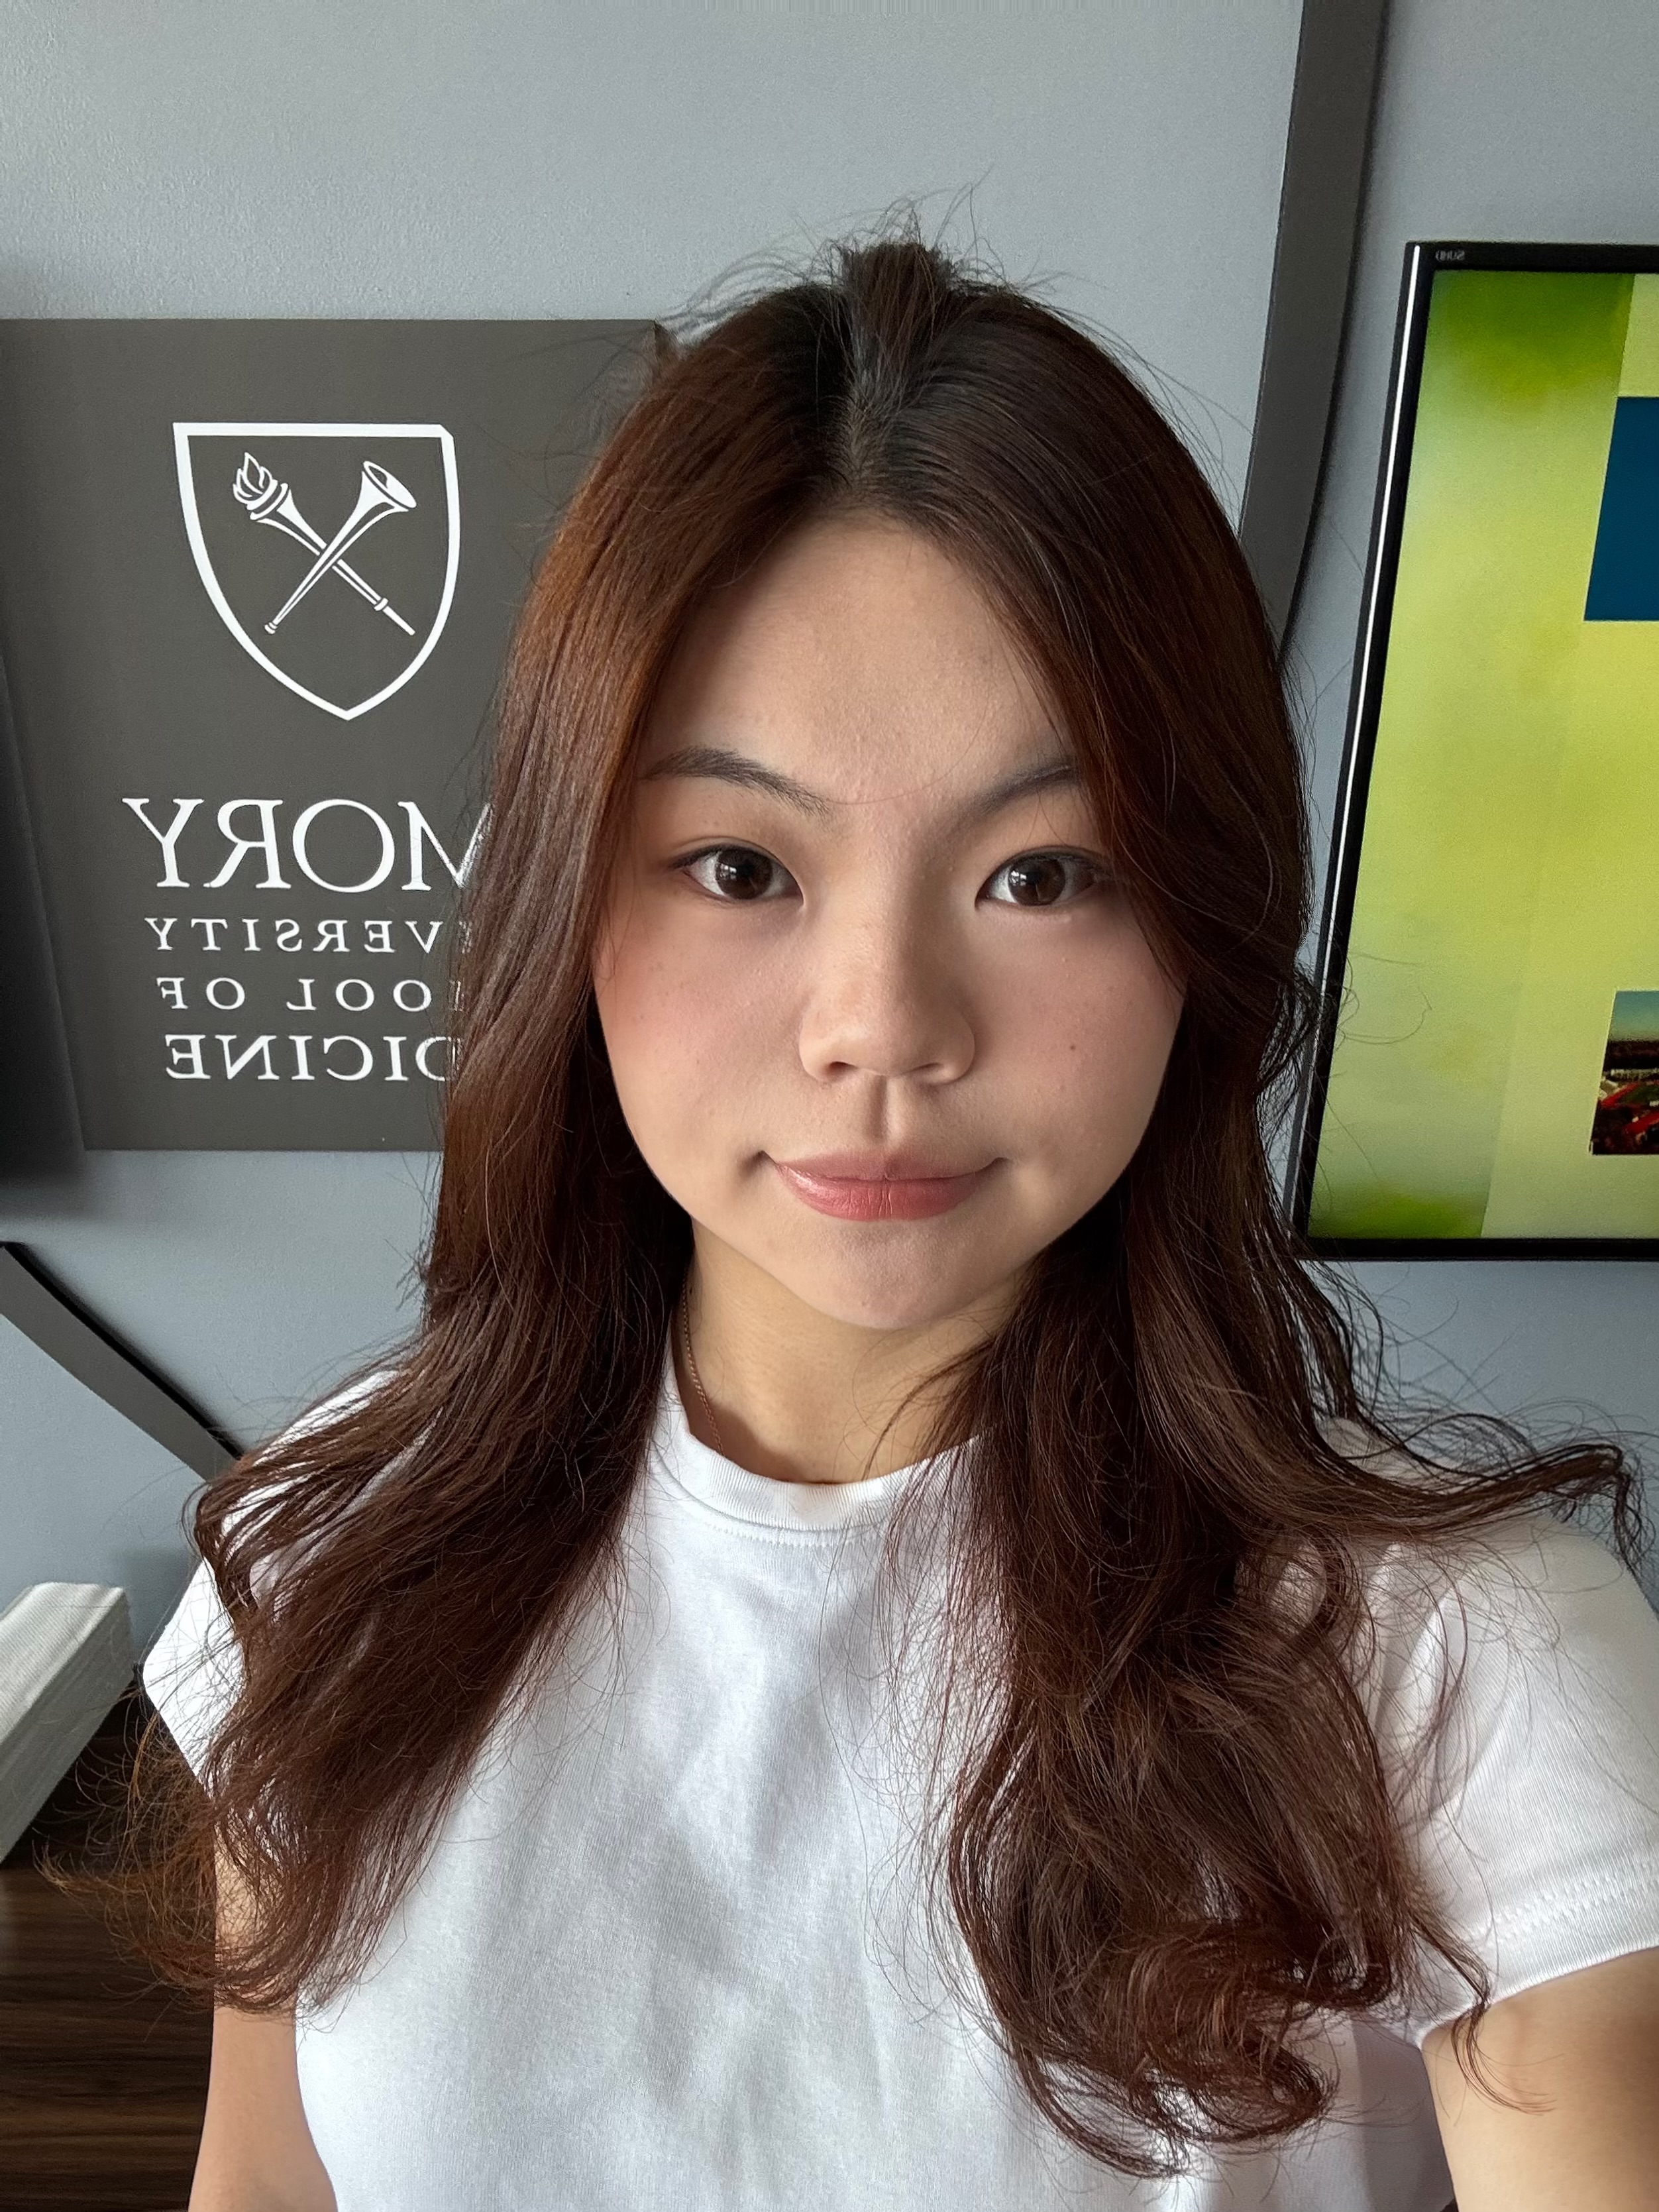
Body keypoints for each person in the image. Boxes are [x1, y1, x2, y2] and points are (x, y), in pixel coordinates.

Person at [125, 232, 1659, 2211]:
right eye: (741, 861)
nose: (884, 1028)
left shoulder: (1462, 1670)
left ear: (1199, 926)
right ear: (567, 902)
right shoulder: (329, 1555)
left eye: (1043, 874)